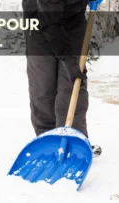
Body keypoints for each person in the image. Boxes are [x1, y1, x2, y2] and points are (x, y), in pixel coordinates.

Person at [23, 0, 89, 137]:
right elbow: (50, 22)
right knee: (43, 86)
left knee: (73, 85)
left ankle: (73, 138)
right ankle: (46, 138)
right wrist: (69, 61)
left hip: (74, 23)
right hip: (39, 24)